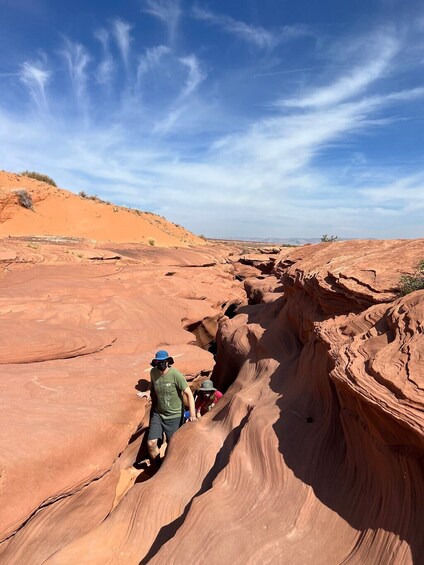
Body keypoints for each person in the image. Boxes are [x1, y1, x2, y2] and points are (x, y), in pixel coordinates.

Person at [137, 350, 197, 464]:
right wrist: (148, 392)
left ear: (168, 362)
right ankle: (158, 468)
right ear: (155, 363)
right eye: (158, 362)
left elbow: (188, 393)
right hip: (159, 414)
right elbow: (152, 383)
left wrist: (192, 415)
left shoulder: (176, 374)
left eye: (163, 361)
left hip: (174, 416)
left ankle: (171, 467)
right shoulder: (153, 372)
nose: (161, 364)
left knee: (173, 446)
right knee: (151, 443)